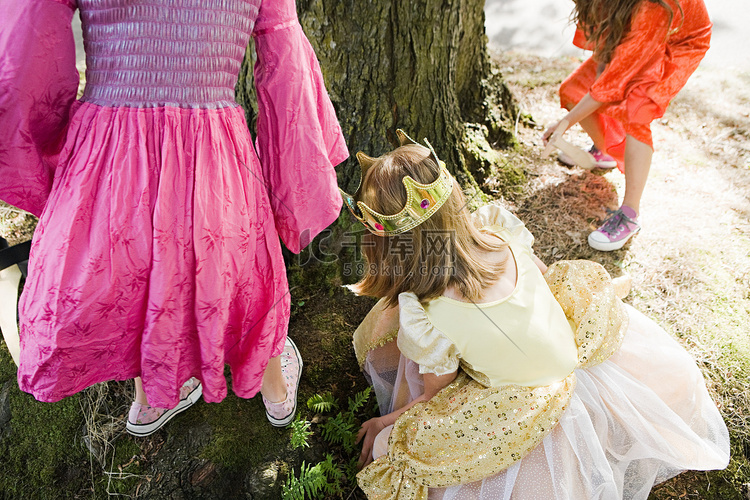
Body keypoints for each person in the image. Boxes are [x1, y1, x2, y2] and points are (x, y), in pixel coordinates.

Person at [0, 0, 347, 435]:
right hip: (213, 148)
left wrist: (41, 151)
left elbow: (25, 49)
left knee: (134, 267)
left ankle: (151, 398)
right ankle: (274, 390)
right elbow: (286, 70)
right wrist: (294, 183)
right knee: (244, 276)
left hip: (113, 146)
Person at [340, 130, 728, 499]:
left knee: (395, 450)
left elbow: (432, 396)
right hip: (576, 360)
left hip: (523, 408)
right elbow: (546, 281)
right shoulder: (499, 235)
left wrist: (387, 422)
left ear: (388, 247)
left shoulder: (428, 315)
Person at [543, 0, 711, 251]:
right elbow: (605, 69)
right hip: (641, 33)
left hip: (676, 42)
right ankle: (606, 149)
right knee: (574, 90)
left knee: (637, 109)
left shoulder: (654, 6)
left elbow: (614, 83)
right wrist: (599, 82)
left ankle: (630, 214)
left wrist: (564, 123)